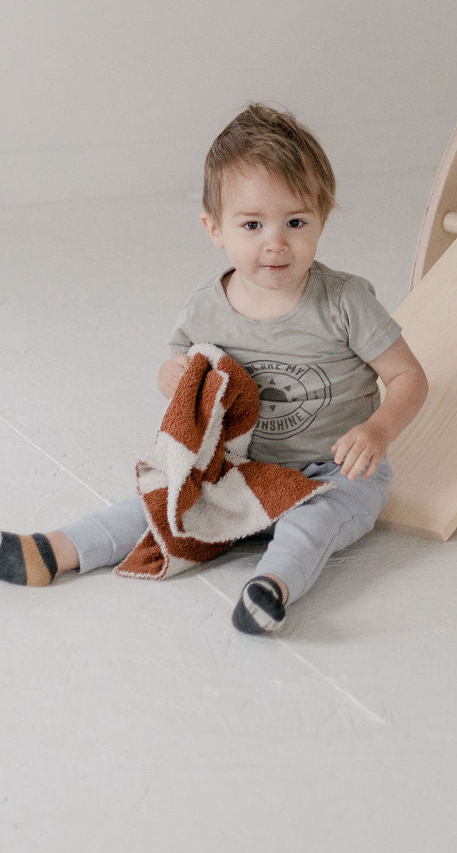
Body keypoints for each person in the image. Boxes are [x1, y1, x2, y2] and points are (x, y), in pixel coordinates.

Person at [0, 103, 428, 636]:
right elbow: (181, 373)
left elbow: (410, 377)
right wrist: (171, 379)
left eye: (296, 222)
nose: (276, 242)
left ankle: (271, 588)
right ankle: (55, 550)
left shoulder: (344, 302)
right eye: (252, 224)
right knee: (161, 504)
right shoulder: (207, 307)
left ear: (322, 217)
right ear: (214, 227)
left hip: (332, 473)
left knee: (314, 523)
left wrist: (377, 430)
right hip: (238, 469)